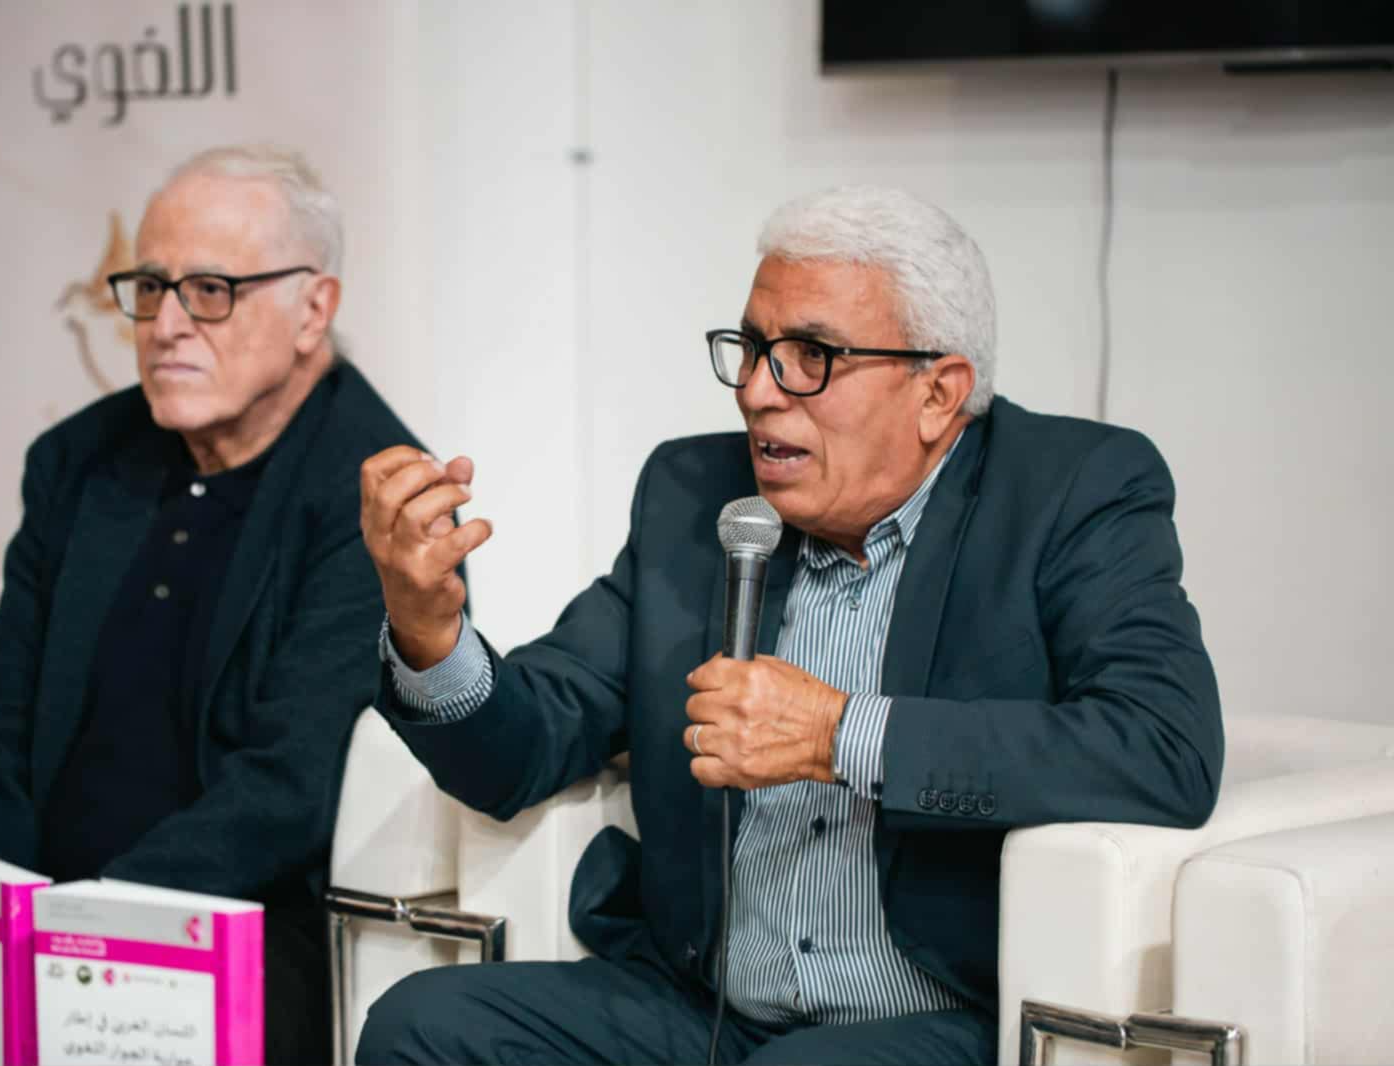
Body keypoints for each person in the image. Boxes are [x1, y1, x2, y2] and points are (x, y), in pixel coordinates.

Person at [356, 185, 1222, 1064]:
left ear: (938, 393)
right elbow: (526, 748)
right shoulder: (694, 496)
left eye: (810, 356)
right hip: (703, 1006)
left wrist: (838, 734)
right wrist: (429, 633)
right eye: (753, 348)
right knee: (422, 1026)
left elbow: (1164, 750)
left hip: (940, 1018)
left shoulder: (1070, 491)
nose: (758, 392)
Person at [0, 143, 429, 1066]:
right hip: (21, 909)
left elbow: (284, 794)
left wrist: (54, 956)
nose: (165, 324)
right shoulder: (78, 462)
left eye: (209, 290)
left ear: (314, 308)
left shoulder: (374, 497)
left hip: (225, 928)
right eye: (150, 286)